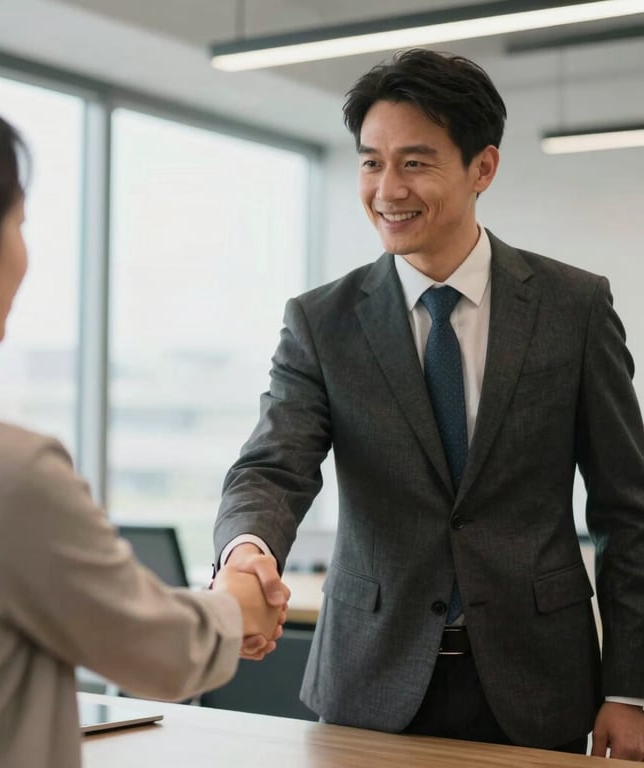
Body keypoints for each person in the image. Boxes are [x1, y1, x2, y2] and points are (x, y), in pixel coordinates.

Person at [214, 49, 644, 759]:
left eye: (415, 162)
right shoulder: (322, 321)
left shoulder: (574, 307)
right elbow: (272, 465)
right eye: (370, 162)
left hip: (541, 682)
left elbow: (628, 511)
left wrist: (630, 689)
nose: (387, 189)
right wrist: (247, 549)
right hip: (368, 682)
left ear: (482, 168)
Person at [0, 82, 287, 768]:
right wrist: (239, 600)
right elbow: (158, 651)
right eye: (19, 225)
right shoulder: (2, 476)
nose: (26, 253)